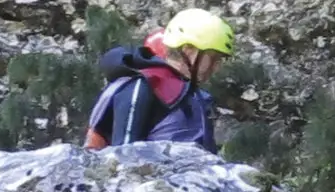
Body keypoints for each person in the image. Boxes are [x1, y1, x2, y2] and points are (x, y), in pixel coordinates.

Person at [85, 9, 234, 151]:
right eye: (213, 58)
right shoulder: (141, 86)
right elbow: (123, 157)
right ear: (188, 49)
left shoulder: (194, 96)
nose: (216, 68)